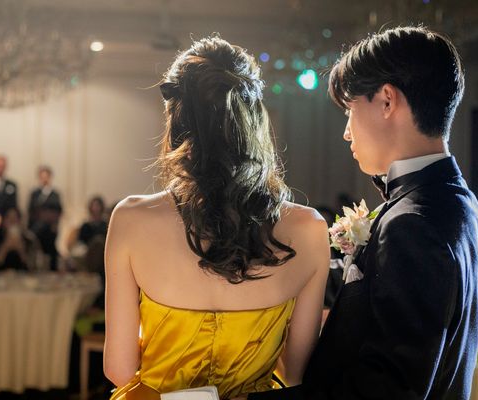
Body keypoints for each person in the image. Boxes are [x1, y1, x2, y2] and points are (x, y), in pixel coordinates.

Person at [251, 26, 478, 400]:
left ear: (387, 101)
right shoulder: (460, 202)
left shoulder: (412, 223)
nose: (347, 132)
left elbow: (387, 388)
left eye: (350, 110)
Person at [104, 36, 330, 399]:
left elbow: (119, 369)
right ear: (254, 119)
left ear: (176, 118)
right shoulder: (310, 229)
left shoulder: (130, 219)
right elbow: (295, 373)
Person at [27, 166, 63, 270]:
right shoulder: (35, 194)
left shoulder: (55, 194)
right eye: (42, 177)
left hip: (50, 228)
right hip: (36, 225)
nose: (44, 179)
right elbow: (31, 210)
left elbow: (58, 211)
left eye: (46, 177)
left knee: (47, 232)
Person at [0, 207, 40, 271]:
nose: (12, 221)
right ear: (3, 221)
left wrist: (21, 249)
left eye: (15, 218)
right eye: (9, 218)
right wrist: (5, 246)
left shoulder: (29, 239)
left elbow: (33, 267)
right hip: (1, 275)